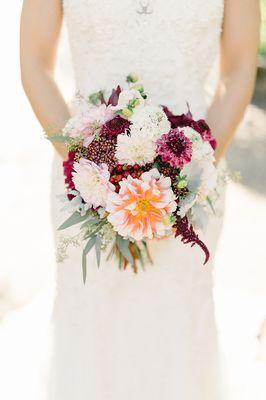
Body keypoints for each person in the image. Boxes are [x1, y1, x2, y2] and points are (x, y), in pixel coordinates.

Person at [20, 1, 260, 399]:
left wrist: (184, 180)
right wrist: (97, 180)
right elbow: (33, 64)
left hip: (196, 183)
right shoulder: (87, 177)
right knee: (93, 316)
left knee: (175, 315)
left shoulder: (192, 180)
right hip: (82, 178)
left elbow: (237, 71)